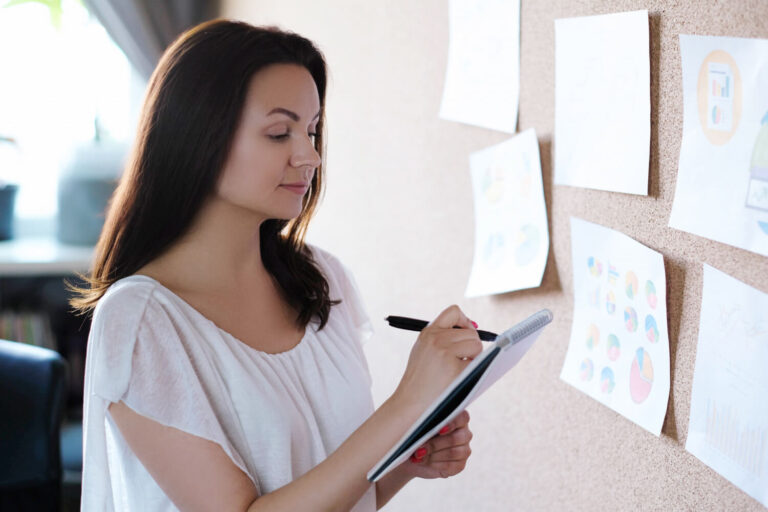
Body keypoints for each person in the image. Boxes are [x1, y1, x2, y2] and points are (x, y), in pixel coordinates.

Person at [72, 19, 483, 511]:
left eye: (311, 131)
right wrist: (406, 406)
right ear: (197, 135)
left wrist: (407, 460)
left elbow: (334, 485)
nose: (309, 156)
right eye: (278, 133)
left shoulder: (322, 281)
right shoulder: (141, 323)